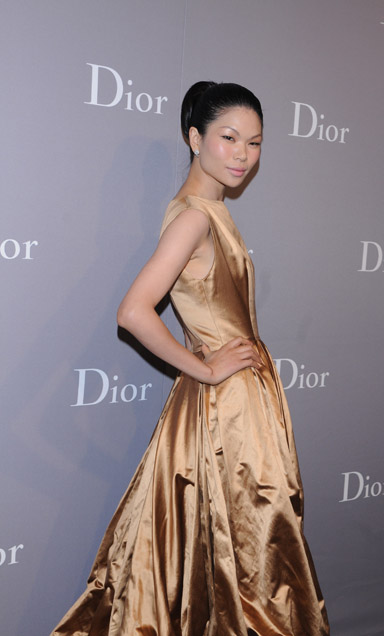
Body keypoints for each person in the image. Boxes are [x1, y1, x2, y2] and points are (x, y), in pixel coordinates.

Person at [53, 82, 330, 636]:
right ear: (194, 138)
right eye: (229, 138)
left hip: (237, 402)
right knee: (256, 560)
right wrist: (204, 367)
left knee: (223, 554)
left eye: (254, 142)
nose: (243, 154)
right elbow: (133, 311)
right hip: (228, 410)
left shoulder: (206, 211)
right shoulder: (194, 219)